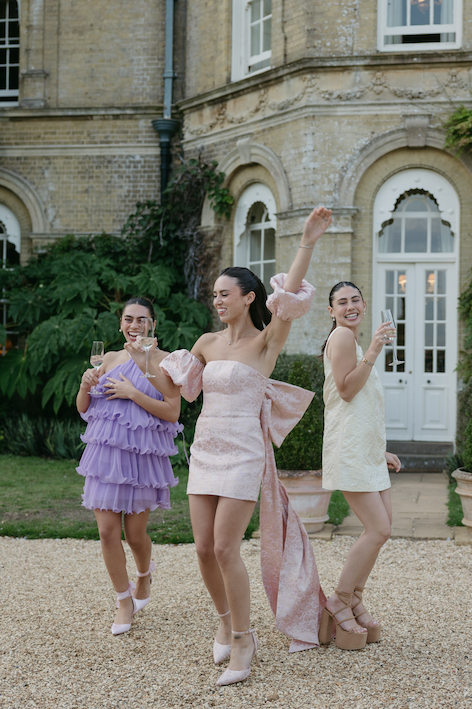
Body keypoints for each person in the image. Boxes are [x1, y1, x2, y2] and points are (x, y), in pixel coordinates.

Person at [127, 207, 332, 686]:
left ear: (248, 297)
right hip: (206, 449)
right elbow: (179, 392)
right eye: (214, 294)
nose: (217, 300)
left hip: (243, 451)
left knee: (224, 547)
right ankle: (223, 618)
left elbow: (287, 301)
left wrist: (306, 241)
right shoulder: (204, 342)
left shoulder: (266, 342)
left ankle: (244, 637)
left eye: (225, 294)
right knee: (201, 548)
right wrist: (143, 363)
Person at [76, 297, 181, 636]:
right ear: (120, 323)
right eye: (128, 319)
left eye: (142, 319)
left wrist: (132, 392)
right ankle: (124, 601)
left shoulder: (165, 362)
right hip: (106, 454)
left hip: (142, 456)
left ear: (154, 324)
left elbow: (172, 412)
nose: (134, 325)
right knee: (107, 531)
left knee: (135, 535)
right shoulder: (108, 359)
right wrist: (84, 386)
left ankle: (144, 575)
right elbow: (84, 408)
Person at [318, 281, 401, 650]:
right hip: (349, 451)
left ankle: (355, 598)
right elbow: (347, 389)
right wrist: (373, 349)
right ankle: (339, 599)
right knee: (378, 529)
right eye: (342, 302)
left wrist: (380, 450)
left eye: (355, 300)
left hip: (366, 450)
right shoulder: (340, 338)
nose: (350, 306)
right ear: (332, 311)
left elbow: (360, 407)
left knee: (383, 529)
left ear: (364, 305)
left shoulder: (350, 341)